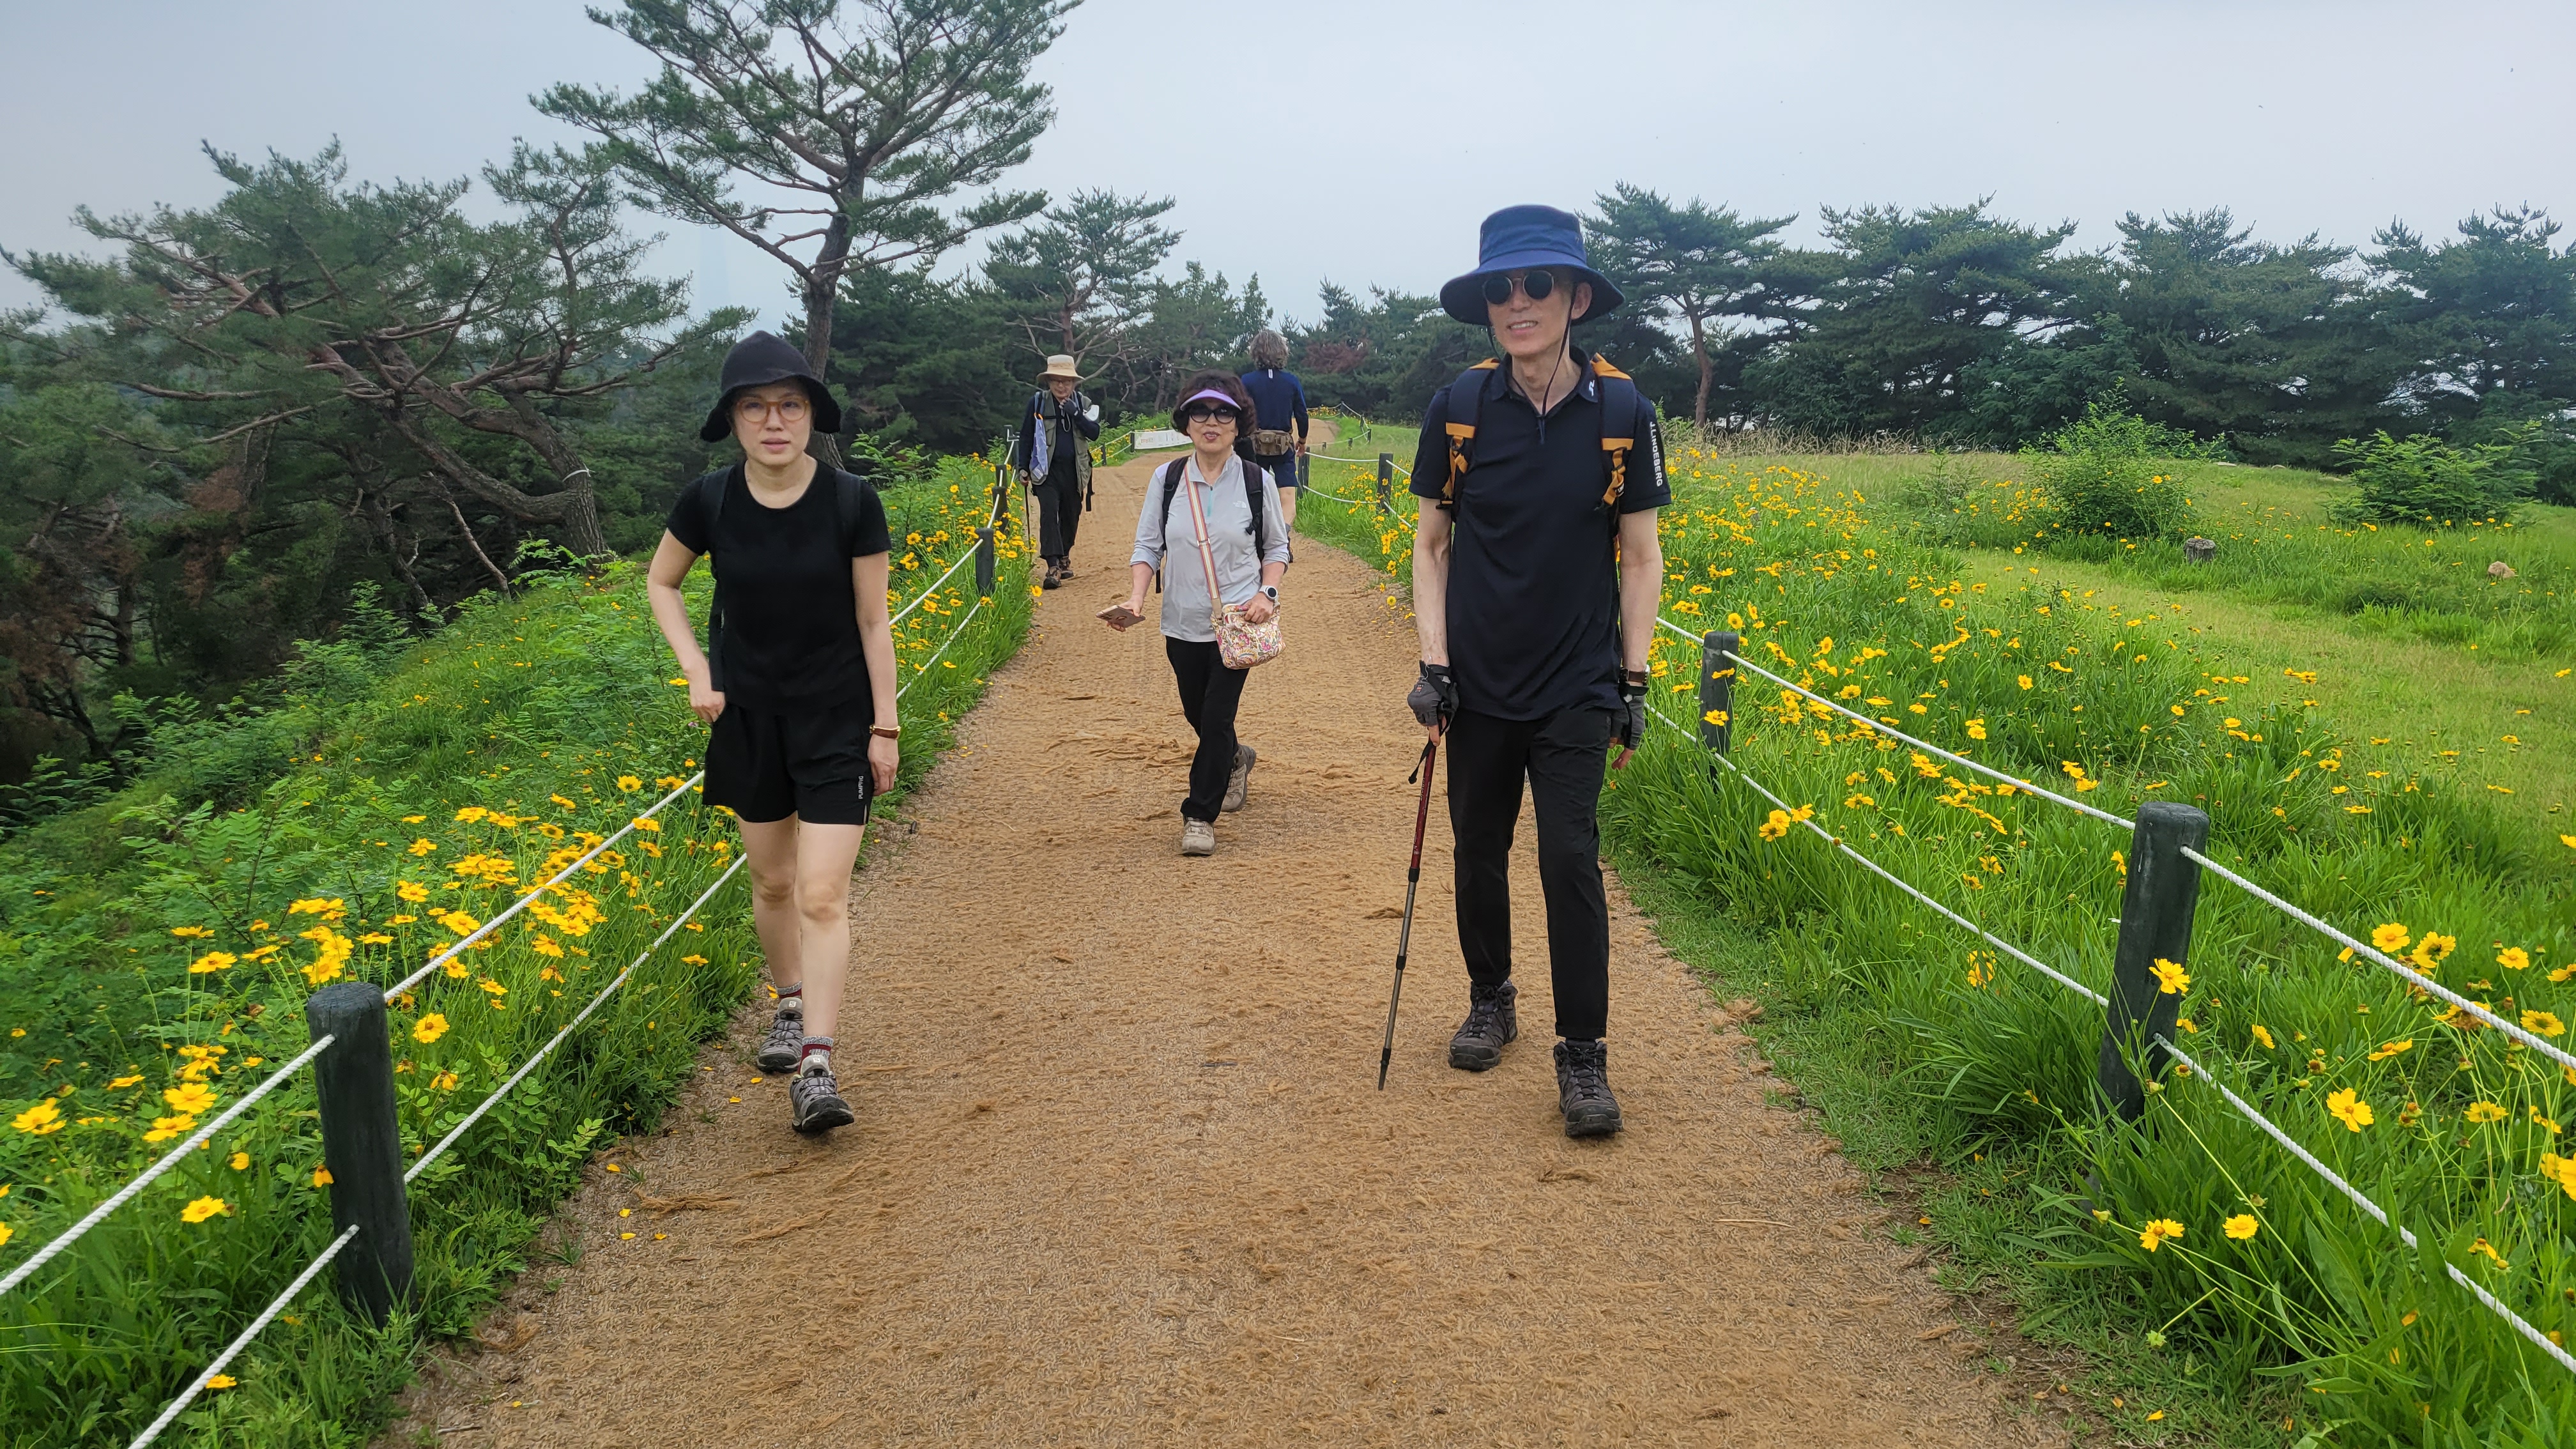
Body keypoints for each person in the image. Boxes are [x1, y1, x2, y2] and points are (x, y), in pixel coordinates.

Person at [1404, 205, 1669, 1139]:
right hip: (1477, 681)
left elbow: (1641, 556)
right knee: (1478, 846)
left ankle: (1584, 1054)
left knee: (1568, 859)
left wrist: (1634, 681)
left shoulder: (1625, 414)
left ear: (1577, 299)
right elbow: (1430, 545)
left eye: (1539, 285)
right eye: (1500, 289)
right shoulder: (1460, 408)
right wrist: (1434, 663)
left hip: (1577, 683)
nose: (1518, 304)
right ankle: (1491, 997)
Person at [645, 330, 899, 1137]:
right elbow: (661, 582)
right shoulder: (708, 501)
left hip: (837, 720)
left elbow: (874, 622)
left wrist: (885, 727)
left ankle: (817, 1065)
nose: (774, 421)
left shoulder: (852, 502)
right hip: (748, 719)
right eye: (754, 407)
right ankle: (789, 1002)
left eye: (790, 405)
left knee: (821, 893)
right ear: (732, 420)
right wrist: (696, 668)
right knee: (773, 883)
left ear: (812, 415)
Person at [1104, 371, 1289, 857]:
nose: (1212, 421)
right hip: (1181, 621)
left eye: (1224, 412)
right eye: (1201, 412)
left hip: (1237, 625)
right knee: (1199, 714)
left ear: (1239, 424)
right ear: (1185, 422)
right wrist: (1136, 598)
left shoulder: (1257, 481)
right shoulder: (1166, 480)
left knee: (1216, 714)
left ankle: (1199, 816)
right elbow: (1148, 546)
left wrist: (1267, 593)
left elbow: (1277, 547)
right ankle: (1235, 757)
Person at [1011, 355, 1101, 590]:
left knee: (1071, 515)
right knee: (1049, 514)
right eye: (1056, 381)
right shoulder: (1037, 403)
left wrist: (1075, 413)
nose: (1061, 386)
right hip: (1045, 471)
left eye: (1067, 381)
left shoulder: (1083, 403)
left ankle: (1064, 557)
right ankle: (1052, 567)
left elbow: (1094, 433)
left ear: (1074, 383)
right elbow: (1026, 435)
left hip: (1075, 471)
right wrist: (1023, 467)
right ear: (1049, 382)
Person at [1236, 330, 1309, 532]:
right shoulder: (1292, 381)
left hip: (1253, 447)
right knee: (1287, 498)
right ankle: (1282, 537)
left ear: (1255, 353)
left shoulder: (1246, 381)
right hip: (1283, 445)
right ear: (1282, 352)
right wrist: (1302, 439)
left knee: (1254, 495)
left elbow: (1239, 413)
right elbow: (1302, 414)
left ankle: (1258, 538)